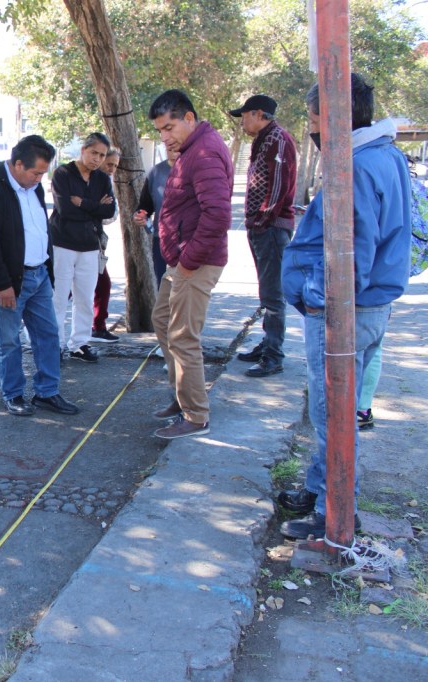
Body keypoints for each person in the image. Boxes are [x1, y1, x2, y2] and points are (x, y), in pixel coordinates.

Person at [278, 73, 412, 539]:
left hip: (346, 311)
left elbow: (353, 249)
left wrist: (319, 302)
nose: (310, 125)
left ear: (334, 116)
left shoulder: (355, 166)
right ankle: (321, 490)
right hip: (370, 305)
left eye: (313, 116)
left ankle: (335, 513)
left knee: (333, 414)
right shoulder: (383, 155)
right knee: (337, 409)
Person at [148, 89, 234, 439]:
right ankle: (182, 396)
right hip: (182, 259)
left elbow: (218, 215)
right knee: (162, 320)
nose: (164, 137)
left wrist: (188, 263)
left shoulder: (204, 151)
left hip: (196, 261)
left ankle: (196, 416)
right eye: (160, 131)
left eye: (169, 128)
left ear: (188, 118)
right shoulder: (192, 149)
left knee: (183, 337)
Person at [0, 134, 80, 418]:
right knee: (9, 340)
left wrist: (49, 271)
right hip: (9, 281)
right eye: (36, 173)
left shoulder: (34, 187)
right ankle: (13, 394)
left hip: (39, 274)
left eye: (43, 174)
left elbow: (40, 229)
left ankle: (47, 392)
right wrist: (2, 285)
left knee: (48, 335)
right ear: (18, 164)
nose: (39, 179)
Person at [230, 94, 298, 378]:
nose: (242, 121)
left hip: (271, 227)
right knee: (266, 291)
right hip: (262, 227)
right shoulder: (264, 139)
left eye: (244, 116)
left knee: (273, 294)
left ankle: (273, 354)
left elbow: (279, 185)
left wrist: (262, 219)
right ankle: (268, 343)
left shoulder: (278, 139)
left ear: (259, 114)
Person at [49, 132, 115, 362]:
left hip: (90, 244)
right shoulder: (63, 173)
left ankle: (80, 343)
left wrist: (84, 203)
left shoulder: (102, 178)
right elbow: (65, 209)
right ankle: (55, 344)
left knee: (85, 297)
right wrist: (95, 206)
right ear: (83, 150)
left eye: (102, 155)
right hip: (62, 242)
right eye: (94, 152)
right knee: (58, 297)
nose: (97, 159)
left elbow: (109, 210)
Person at [133, 147, 179, 286]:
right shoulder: (156, 172)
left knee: (184, 288)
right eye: (169, 147)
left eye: (177, 147)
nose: (173, 151)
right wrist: (140, 216)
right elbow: (145, 206)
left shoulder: (196, 170)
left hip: (187, 241)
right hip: (161, 239)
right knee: (161, 285)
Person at [92, 146, 123, 344]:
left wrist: (99, 208)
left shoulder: (106, 182)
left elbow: (111, 215)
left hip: (96, 241)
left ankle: (98, 326)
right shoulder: (91, 180)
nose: (112, 169)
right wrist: (97, 207)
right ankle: (97, 327)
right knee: (67, 289)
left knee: (101, 285)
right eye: (109, 164)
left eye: (115, 165)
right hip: (78, 241)